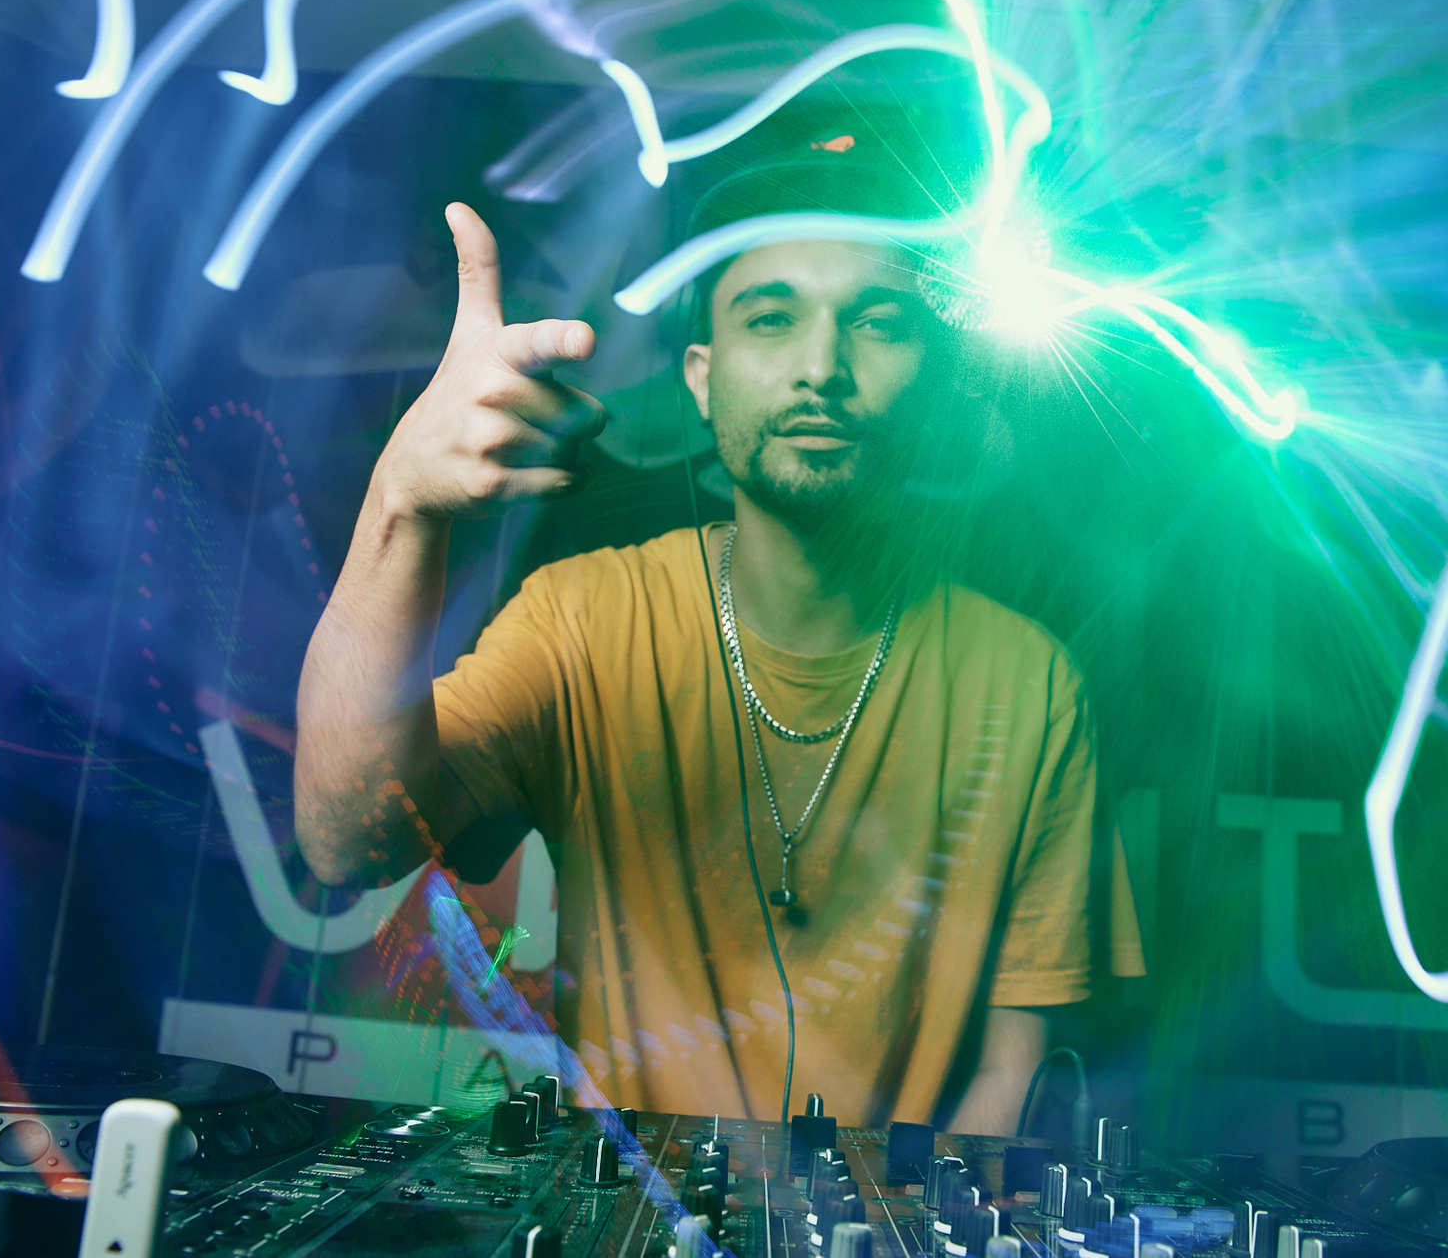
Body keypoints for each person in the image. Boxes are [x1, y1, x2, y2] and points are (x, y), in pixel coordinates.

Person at [294, 132, 1143, 1132]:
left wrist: (889, 1216)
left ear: (934, 382)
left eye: (877, 322)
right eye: (771, 317)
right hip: (628, 1202)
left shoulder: (1030, 682)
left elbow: (1012, 1068)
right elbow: (346, 840)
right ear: (700, 375)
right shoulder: (585, 617)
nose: (822, 368)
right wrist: (403, 503)